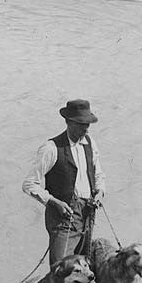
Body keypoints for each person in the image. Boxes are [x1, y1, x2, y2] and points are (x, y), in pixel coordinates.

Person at [23, 99, 106, 267]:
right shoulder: (51, 148)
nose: (86, 128)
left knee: (84, 267)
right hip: (63, 218)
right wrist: (54, 202)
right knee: (61, 268)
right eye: (81, 124)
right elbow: (29, 184)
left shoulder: (90, 143)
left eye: (88, 124)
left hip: (88, 214)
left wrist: (100, 192)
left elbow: (98, 175)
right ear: (68, 122)